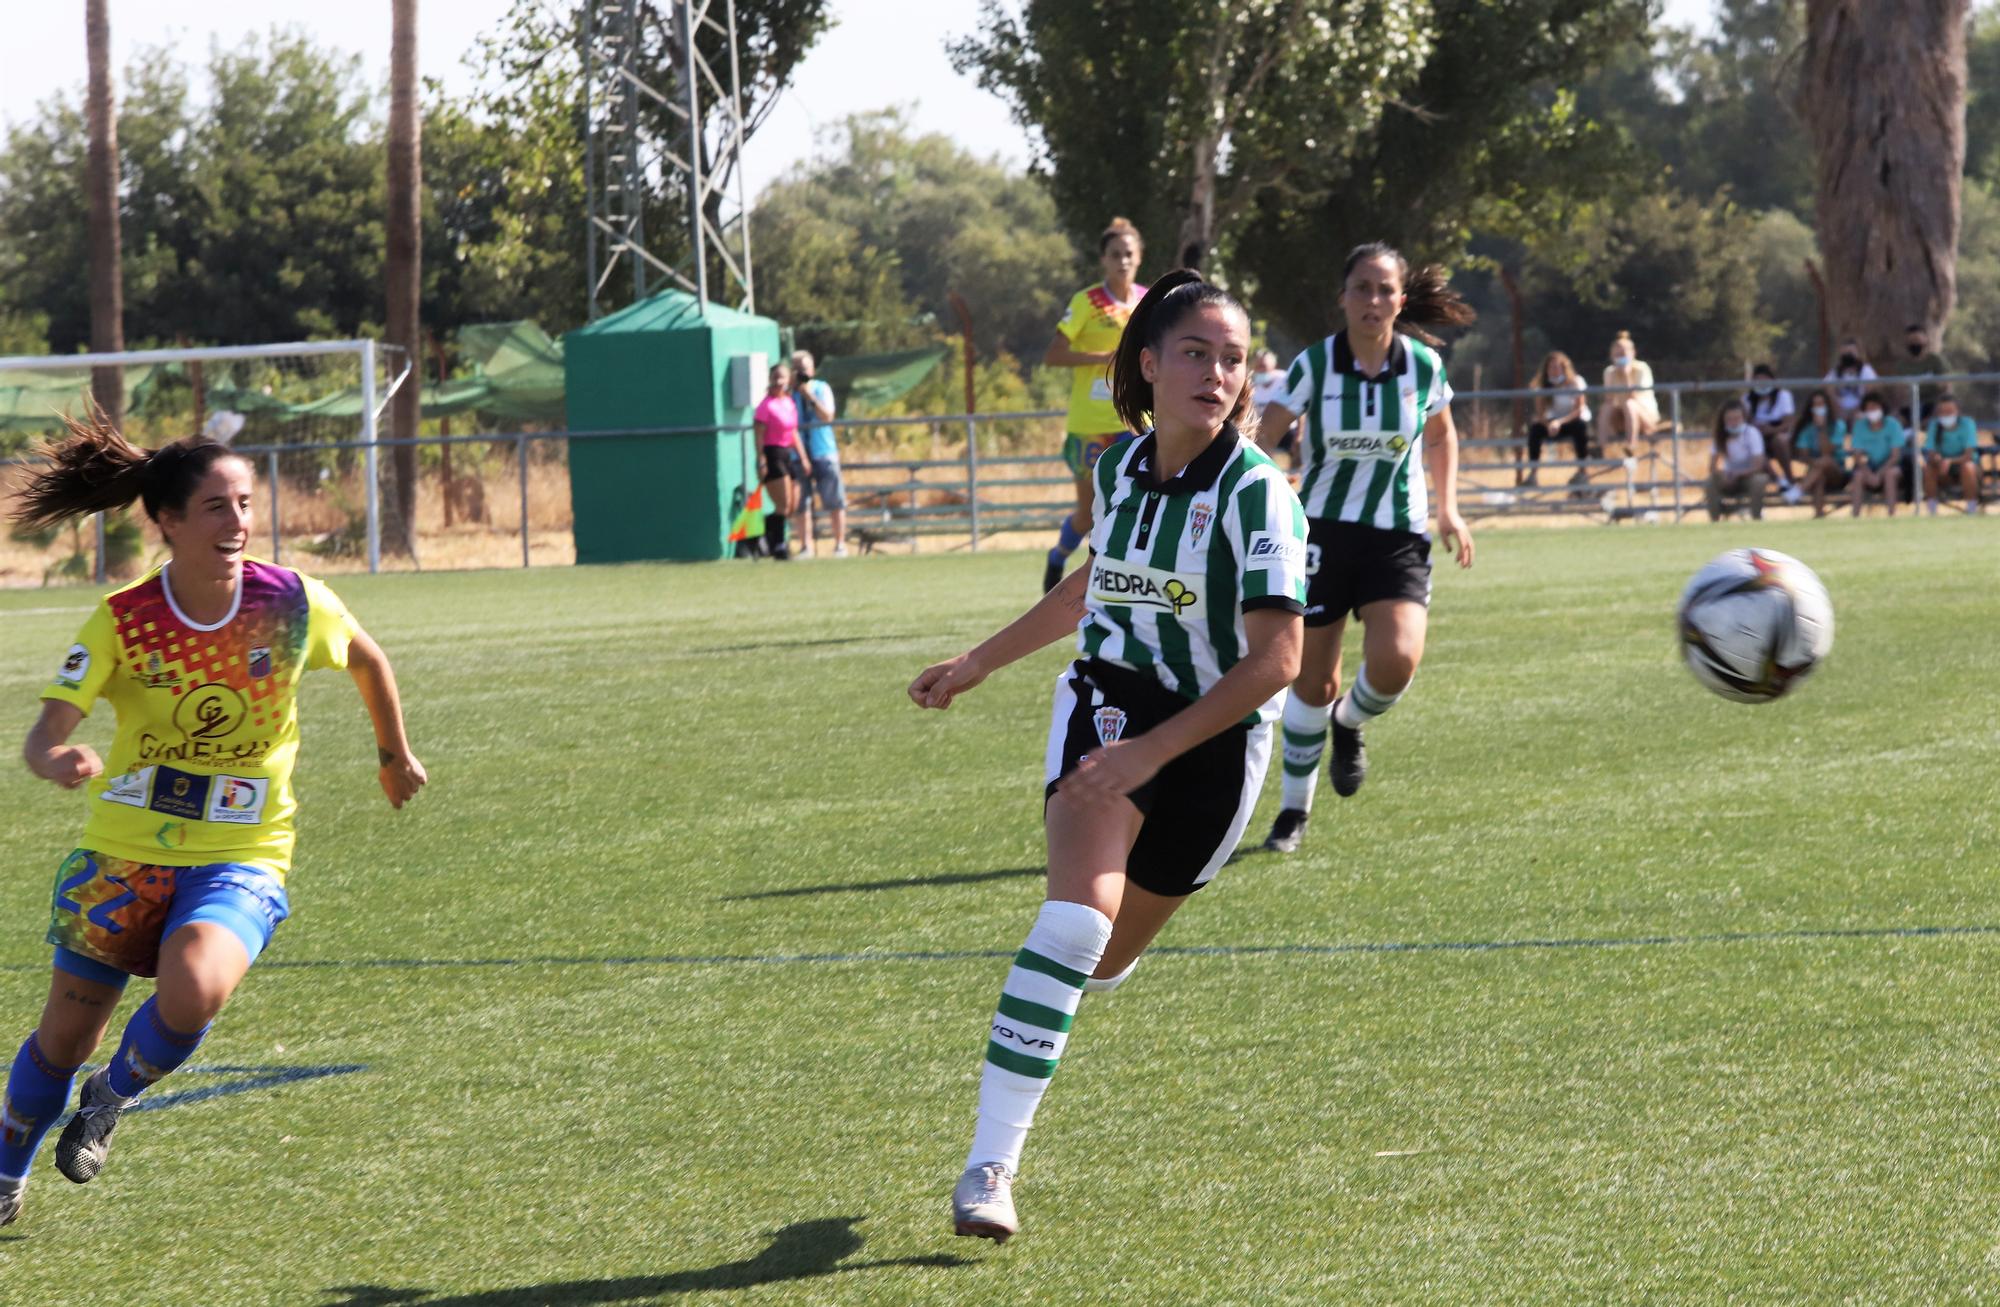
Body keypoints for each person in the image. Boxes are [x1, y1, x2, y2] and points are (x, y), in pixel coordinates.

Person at [909, 271, 1308, 1243]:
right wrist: (975, 661)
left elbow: (1276, 663)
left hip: (1213, 742)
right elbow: (1092, 586)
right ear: (1147, 363)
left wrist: (1159, 754)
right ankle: (988, 1165)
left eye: (1230, 358)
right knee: (1070, 924)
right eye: (1193, 353)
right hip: (1109, 703)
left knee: (1104, 955)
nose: (1215, 373)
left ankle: (1079, 973)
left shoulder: (1258, 496)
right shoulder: (1120, 470)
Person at [0, 423, 425, 1228]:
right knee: (63, 1037)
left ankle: (110, 1098)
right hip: (122, 855)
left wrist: (392, 754)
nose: (237, 524)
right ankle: (4, 1174)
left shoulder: (291, 600)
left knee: (194, 986)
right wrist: (54, 755)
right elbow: (42, 730)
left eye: (245, 505)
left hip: (243, 850)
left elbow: (369, 658)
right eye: (215, 508)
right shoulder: (124, 618)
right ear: (166, 519)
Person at [1251, 242, 1475, 856]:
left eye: (1384, 290)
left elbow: (1441, 432)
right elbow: (1263, 438)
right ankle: (1293, 813)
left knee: (1398, 659)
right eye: (1361, 288)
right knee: (1311, 681)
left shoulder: (1423, 367)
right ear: (1342, 297)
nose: (1372, 301)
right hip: (1321, 532)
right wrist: (1243, 497)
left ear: (1401, 301)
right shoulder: (1314, 366)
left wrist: (1448, 507)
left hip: (1397, 535)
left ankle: (1349, 723)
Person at [1042, 217, 1146, 592]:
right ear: (1103, 259)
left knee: (1133, 506)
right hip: (1089, 423)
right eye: (1115, 254)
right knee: (1087, 514)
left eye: (1129, 254)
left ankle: (1113, 580)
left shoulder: (1149, 302)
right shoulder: (1086, 301)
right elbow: (1053, 355)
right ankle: (1057, 557)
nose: (1122, 261)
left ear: (1139, 258)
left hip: (1134, 423)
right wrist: (1106, 357)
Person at [790, 351, 846, 558]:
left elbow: (827, 416)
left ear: (812, 370)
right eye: (796, 369)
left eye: (803, 369)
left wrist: (808, 396)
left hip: (823, 451)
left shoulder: (821, 388)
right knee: (800, 503)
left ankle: (840, 544)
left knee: (834, 500)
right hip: (798, 454)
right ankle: (806, 547)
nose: (800, 373)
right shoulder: (788, 394)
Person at [754, 362, 810, 560]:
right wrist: (761, 460)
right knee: (783, 504)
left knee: (793, 505)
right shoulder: (765, 406)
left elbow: (793, 431)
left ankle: (763, 534)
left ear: (788, 380)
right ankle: (778, 547)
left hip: (787, 453)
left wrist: (803, 457)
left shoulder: (788, 402)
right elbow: (759, 435)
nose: (778, 381)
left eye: (782, 377)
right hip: (772, 453)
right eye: (775, 377)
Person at [1704, 398, 1784, 520]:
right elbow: (1712, 466)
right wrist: (1724, 475)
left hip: (1748, 477)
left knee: (1759, 480)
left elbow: (1758, 465)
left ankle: (1756, 516)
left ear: (1743, 418)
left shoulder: (1752, 433)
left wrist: (1738, 474)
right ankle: (1714, 519)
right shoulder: (1719, 436)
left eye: (1737, 418)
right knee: (1710, 482)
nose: (1733, 422)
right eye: (1729, 419)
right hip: (1729, 476)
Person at [1524, 350, 1590, 486]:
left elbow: (1579, 409)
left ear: (1564, 368)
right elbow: (1540, 413)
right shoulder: (1541, 386)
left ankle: (1583, 472)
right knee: (1535, 430)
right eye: (1551, 367)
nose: (1554, 371)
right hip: (1552, 424)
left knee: (1580, 428)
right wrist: (1549, 424)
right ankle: (1533, 474)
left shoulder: (1576, 382)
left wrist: (1559, 422)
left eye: (1557, 367)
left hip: (1571, 421)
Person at [1597, 331, 1664, 456]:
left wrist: (1626, 375)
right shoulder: (1609, 371)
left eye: (1623, 353)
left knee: (1630, 404)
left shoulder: (1641, 368)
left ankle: (1631, 445)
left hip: (1644, 417)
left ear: (1632, 353)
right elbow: (1609, 399)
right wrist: (1613, 376)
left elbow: (1634, 396)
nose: (1620, 357)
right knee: (1606, 407)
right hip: (1621, 418)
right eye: (1617, 354)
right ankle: (1600, 447)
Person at [1743, 363, 1801, 498]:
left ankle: (1789, 477)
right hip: (1758, 438)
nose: (1762, 383)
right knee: (1757, 453)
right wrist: (1756, 429)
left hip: (1779, 437)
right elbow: (1745, 424)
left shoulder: (1783, 396)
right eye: (1758, 380)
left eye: (1765, 379)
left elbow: (1788, 423)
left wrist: (1772, 430)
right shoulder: (1746, 399)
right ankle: (1780, 482)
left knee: (1779, 440)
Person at [1846, 390, 1907, 516]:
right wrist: (1868, 473)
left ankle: (1891, 515)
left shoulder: (1893, 425)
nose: (1872, 411)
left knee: (1890, 474)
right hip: (1869, 466)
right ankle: (1855, 516)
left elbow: (1895, 456)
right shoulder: (1859, 426)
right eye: (1868, 408)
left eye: (1875, 407)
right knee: (1858, 475)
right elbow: (1858, 455)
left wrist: (1879, 473)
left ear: (1882, 408)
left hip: (1891, 466)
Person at [1792, 389, 1850, 518]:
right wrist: (1816, 464)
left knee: (1826, 461)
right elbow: (1804, 456)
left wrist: (1821, 429)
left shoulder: (1838, 425)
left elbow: (1828, 452)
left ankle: (1798, 491)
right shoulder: (1806, 429)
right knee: (1819, 476)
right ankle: (1819, 516)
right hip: (1816, 473)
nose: (1819, 408)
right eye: (1816, 405)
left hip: (1837, 474)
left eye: (1821, 404)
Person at [1923, 390, 1982, 515]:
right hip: (1943, 470)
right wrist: (1937, 459)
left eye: (1949, 411)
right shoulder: (1934, 425)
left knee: (1968, 467)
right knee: (1928, 469)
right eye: (1942, 412)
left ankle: (1972, 510)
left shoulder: (1967, 424)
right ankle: (1932, 511)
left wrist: (1950, 461)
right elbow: (1930, 451)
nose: (1945, 415)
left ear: (1958, 411)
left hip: (1965, 467)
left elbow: (1969, 455)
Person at [1249, 349, 1297, 468]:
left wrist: (1300, 433)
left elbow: (1299, 405)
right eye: (1257, 366)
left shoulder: (1284, 380)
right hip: (1264, 431)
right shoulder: (1251, 385)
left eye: (1263, 366)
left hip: (1288, 431)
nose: (1260, 370)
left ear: (1273, 366)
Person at [1824, 338, 1876, 420]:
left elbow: (1870, 391)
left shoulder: (1865, 370)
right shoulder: (1835, 371)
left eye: (1850, 353)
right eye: (1845, 353)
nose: (1848, 356)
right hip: (1839, 410)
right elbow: (1828, 388)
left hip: (1860, 409)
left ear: (1858, 353)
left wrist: (1857, 409)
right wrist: (1838, 408)